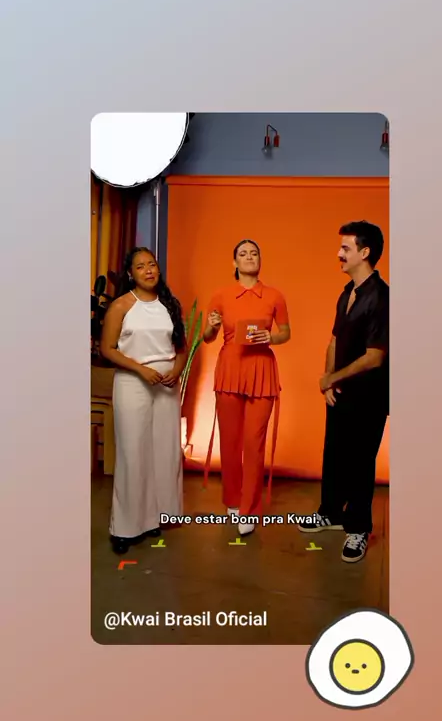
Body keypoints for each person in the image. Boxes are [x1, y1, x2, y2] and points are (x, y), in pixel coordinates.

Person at [298, 221, 389, 563]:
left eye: (345, 248)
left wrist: (332, 377)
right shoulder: (347, 291)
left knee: (360, 461)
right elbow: (335, 340)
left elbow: (375, 357)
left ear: (365, 252)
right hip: (341, 392)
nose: (339, 253)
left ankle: (358, 529)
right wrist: (329, 380)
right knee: (334, 454)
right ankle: (331, 512)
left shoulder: (382, 298)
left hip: (370, 396)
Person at [100, 247, 187, 554]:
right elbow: (107, 349)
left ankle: (153, 518)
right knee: (132, 453)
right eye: (140, 266)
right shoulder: (122, 305)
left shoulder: (169, 305)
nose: (149, 270)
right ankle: (124, 528)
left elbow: (181, 347)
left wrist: (176, 371)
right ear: (130, 274)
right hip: (133, 383)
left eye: (152, 264)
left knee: (163, 452)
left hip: (166, 386)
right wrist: (141, 370)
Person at [203, 239, 291, 535]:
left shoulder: (275, 296)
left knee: (254, 444)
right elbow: (207, 337)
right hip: (230, 370)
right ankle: (232, 499)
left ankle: (249, 509)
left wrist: (270, 337)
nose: (249, 257)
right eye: (243, 253)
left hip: (261, 371)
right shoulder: (221, 295)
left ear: (260, 260)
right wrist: (212, 325)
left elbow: (286, 333)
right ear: (235, 262)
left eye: (254, 253)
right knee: (230, 442)